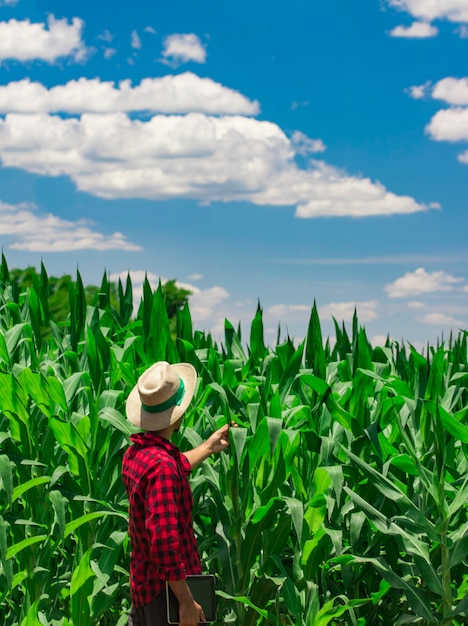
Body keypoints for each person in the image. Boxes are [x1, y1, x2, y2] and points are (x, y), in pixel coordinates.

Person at [122, 360, 231, 626]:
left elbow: (175, 466)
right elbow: (164, 544)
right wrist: (185, 602)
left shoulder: (136, 454)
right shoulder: (163, 468)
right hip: (168, 599)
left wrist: (208, 446)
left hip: (146, 591)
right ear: (178, 416)